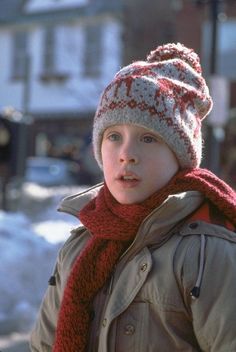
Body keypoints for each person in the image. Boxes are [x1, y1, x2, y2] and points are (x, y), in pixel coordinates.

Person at [30, 43, 236, 352]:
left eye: (149, 138)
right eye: (114, 137)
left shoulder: (206, 251)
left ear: (180, 156)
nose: (126, 154)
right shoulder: (79, 246)